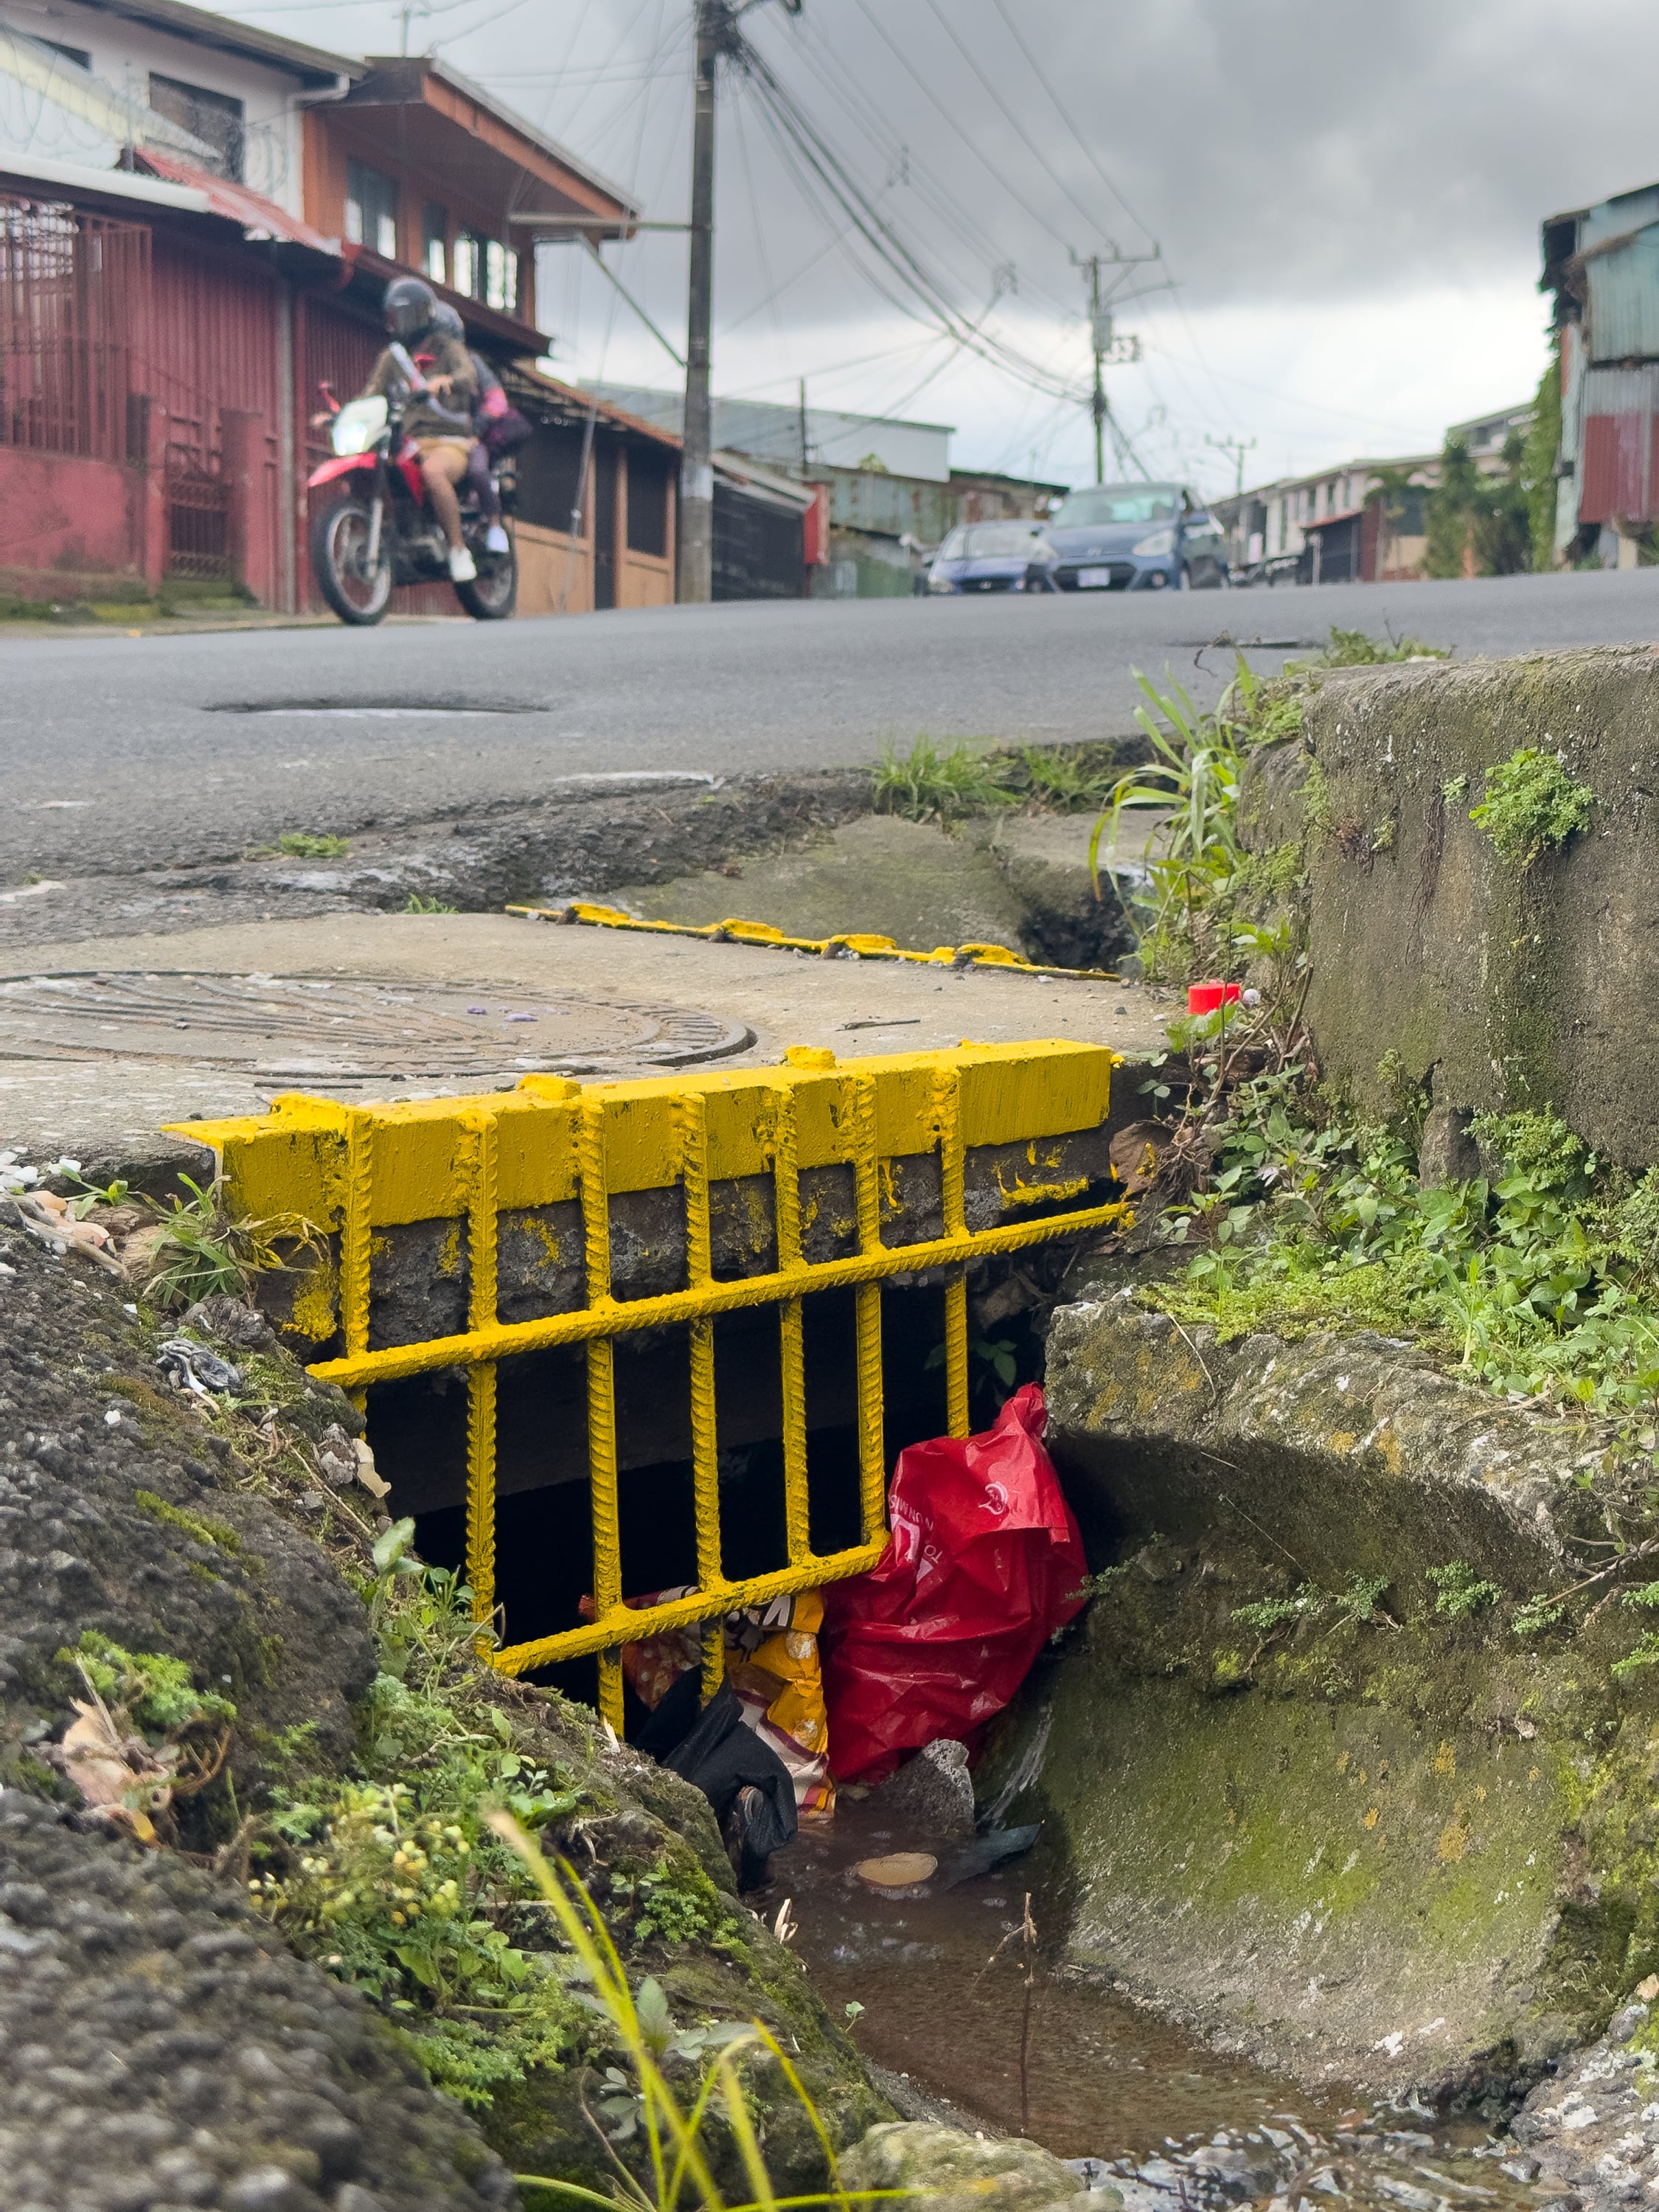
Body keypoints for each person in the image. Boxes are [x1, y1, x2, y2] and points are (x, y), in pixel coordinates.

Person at [364, 276, 479, 583]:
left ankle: (458, 549)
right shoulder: (392, 358)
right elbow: (372, 394)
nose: (399, 323)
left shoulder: (448, 348)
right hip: (408, 442)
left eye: (405, 315)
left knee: (433, 472)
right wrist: (342, 415)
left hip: (448, 442)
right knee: (378, 468)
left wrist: (447, 381)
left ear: (422, 314)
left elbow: (467, 374)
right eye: (394, 317)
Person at [427, 302, 529, 558]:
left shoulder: (471, 364)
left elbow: (496, 400)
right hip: (433, 439)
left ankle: (494, 526)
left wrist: (475, 432)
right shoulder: (420, 367)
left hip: (472, 439)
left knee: (477, 469)